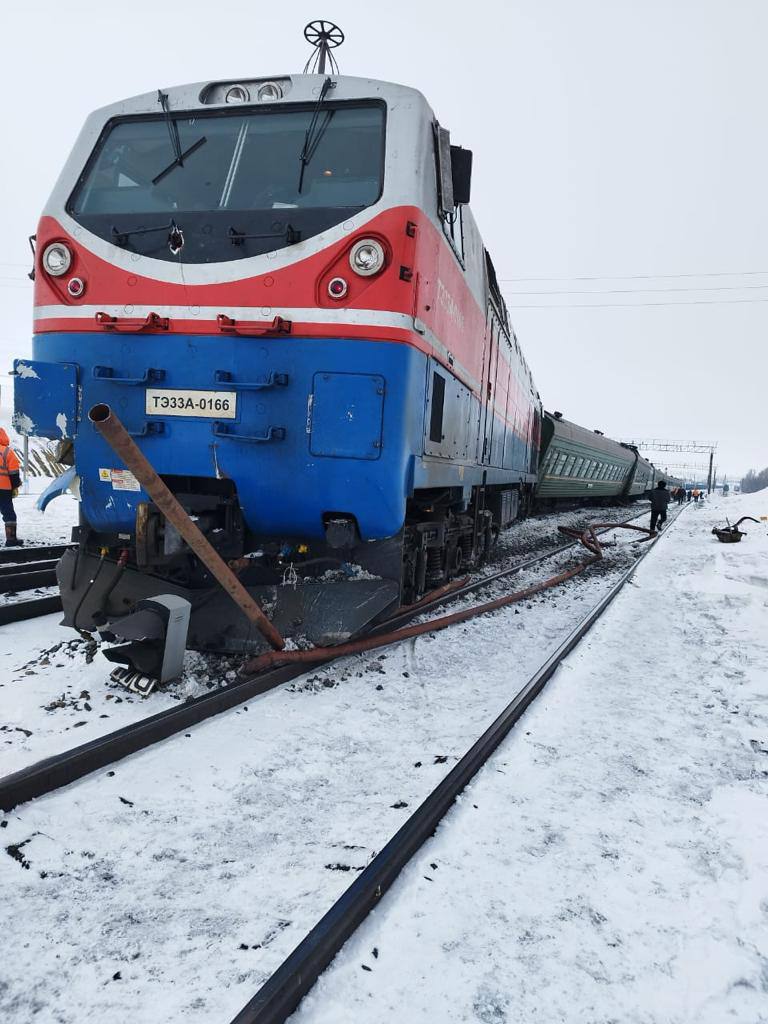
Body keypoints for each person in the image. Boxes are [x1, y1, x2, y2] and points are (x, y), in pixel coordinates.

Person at [0, 427, 23, 546]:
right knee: (8, 514)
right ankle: (11, 539)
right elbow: (14, 473)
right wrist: (15, 486)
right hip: (4, 489)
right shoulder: (7, 452)